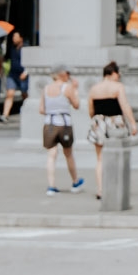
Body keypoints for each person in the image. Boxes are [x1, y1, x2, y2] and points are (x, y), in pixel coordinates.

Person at [85, 62, 137, 201]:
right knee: (118, 155)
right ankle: (116, 185)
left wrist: (95, 120)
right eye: (118, 74)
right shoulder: (117, 87)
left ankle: (100, 189)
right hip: (115, 122)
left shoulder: (94, 88)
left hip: (98, 121)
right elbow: (124, 106)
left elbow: (90, 109)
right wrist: (132, 123)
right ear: (113, 73)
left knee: (100, 158)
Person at [41, 67, 84, 195]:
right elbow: (76, 105)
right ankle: (75, 181)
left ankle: (51, 185)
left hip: (49, 123)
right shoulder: (67, 87)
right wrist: (75, 90)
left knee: (51, 154)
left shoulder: (46, 88)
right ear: (62, 74)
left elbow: (41, 109)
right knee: (68, 153)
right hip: (64, 124)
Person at [0, 30, 27, 121]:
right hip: (12, 74)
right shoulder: (11, 48)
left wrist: (26, 72)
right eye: (13, 37)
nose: (14, 39)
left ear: (21, 38)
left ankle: (26, 109)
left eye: (16, 37)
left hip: (23, 74)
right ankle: (5, 114)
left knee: (24, 94)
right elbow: (5, 58)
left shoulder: (25, 48)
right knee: (9, 94)